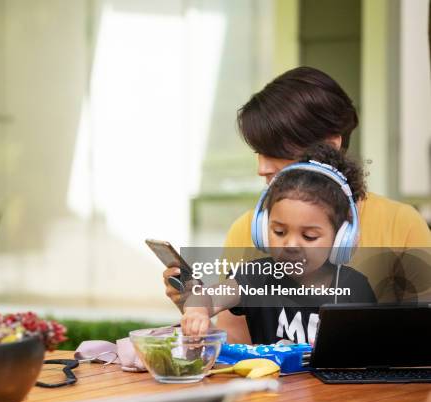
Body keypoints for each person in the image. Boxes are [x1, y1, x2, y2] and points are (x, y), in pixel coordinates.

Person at [163, 67, 431, 343]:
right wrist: (195, 309)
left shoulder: (403, 225)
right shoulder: (247, 230)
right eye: (278, 232)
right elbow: (236, 343)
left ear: (329, 146)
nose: (262, 168)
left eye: (275, 151)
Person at [180, 144, 376, 342]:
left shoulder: (355, 288)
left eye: (309, 236)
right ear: (263, 230)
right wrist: (197, 311)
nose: (291, 245)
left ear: (342, 237)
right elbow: (209, 297)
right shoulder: (256, 278)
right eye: (279, 232)